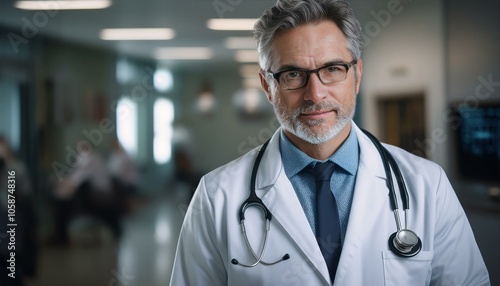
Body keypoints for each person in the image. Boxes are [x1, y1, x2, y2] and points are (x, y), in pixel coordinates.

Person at [170, 0, 490, 285]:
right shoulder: (216, 197)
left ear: (358, 75)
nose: (315, 94)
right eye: (293, 75)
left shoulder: (427, 186)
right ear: (267, 86)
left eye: (333, 69)